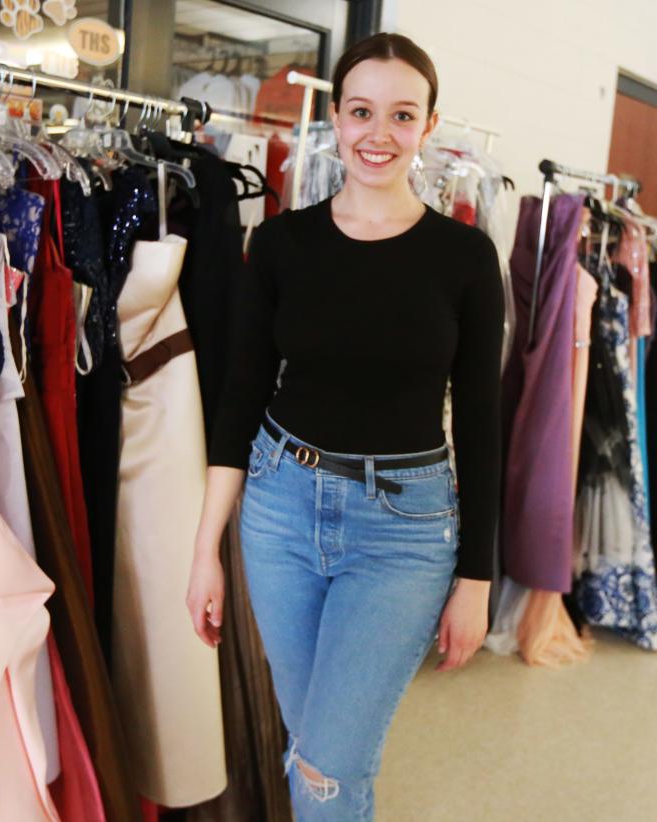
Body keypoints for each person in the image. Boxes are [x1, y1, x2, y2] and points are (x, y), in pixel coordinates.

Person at [186, 32, 504, 821]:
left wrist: (476, 577)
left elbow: (483, 423)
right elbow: (240, 397)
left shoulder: (464, 257)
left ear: (430, 126)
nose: (379, 134)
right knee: (312, 749)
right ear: (336, 117)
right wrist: (205, 551)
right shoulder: (284, 243)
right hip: (280, 509)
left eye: (402, 115)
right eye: (362, 112)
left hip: (403, 528)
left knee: (330, 767)